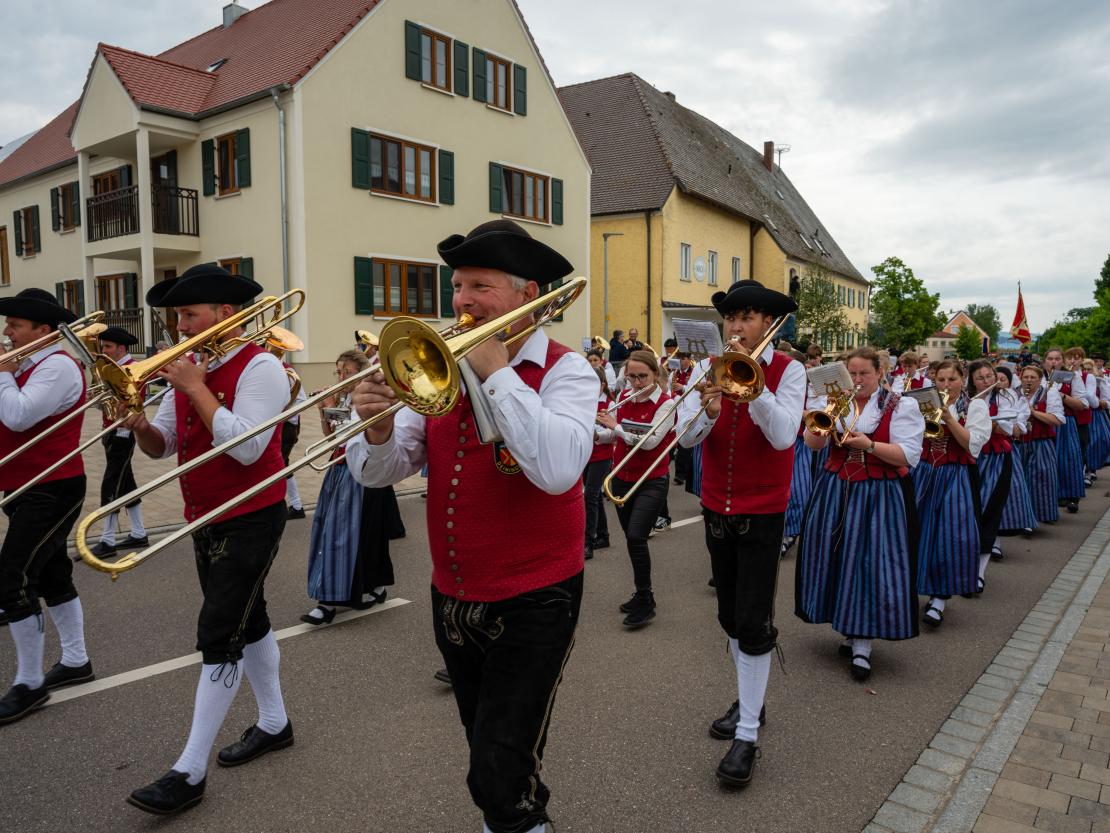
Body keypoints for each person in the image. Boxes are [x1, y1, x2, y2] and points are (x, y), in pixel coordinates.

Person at [346, 219, 596, 833]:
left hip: (537, 596)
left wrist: (498, 372)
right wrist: (375, 429)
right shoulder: (438, 370)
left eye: (478, 285)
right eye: (456, 287)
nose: (460, 302)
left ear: (526, 292)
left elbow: (558, 470)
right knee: (486, 743)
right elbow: (382, 473)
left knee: (497, 763)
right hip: (454, 594)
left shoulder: (569, 373)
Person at [120, 264, 294, 815]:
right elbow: (163, 446)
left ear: (223, 314)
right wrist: (139, 427)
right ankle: (275, 722)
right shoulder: (187, 372)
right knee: (250, 615)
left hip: (251, 514)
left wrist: (196, 388)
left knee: (220, 630)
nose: (178, 327)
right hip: (205, 514)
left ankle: (188, 771)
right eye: (175, 317)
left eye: (188, 314)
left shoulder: (261, 365)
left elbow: (247, 449)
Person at [676, 279, 804, 788]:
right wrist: (706, 412)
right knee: (729, 615)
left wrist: (755, 389)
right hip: (716, 508)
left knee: (753, 621)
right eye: (731, 318)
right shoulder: (706, 368)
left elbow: (783, 435)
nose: (735, 326)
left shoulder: (789, 372)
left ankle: (747, 733)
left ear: (767, 324)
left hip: (763, 511)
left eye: (746, 316)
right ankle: (750, 700)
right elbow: (685, 438)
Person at [796, 346, 925, 682]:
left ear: (880, 372)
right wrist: (822, 415)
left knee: (869, 563)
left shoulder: (901, 405)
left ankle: (863, 645)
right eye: (851, 374)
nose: (856, 380)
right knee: (836, 557)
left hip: (879, 493)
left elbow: (908, 455)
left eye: (863, 373)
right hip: (836, 489)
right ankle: (851, 630)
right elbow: (814, 445)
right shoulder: (838, 402)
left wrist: (868, 445)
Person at [0, 289, 93, 724]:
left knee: (13, 578)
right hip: (25, 484)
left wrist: (0, 374)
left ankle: (29, 682)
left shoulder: (56, 365)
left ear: (42, 330)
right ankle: (76, 660)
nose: (6, 333)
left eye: (15, 326)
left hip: (52, 486)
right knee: (54, 573)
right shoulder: (27, 365)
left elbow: (19, 415)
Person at [302, 350, 404, 624]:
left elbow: (366, 432)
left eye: (347, 371)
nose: (341, 376)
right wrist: (324, 410)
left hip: (363, 469)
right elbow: (332, 438)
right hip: (339, 467)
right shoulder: (344, 396)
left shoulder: (368, 396)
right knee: (337, 531)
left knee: (356, 536)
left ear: (360, 371)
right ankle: (363, 588)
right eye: (339, 372)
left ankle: (334, 599)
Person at [596, 350, 675, 627]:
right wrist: (595, 430)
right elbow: (612, 435)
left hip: (651, 480)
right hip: (621, 477)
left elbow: (649, 442)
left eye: (643, 376)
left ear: (655, 374)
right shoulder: (623, 397)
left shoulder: (667, 405)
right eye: (632, 377)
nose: (638, 383)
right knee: (632, 540)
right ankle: (642, 594)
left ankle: (646, 599)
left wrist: (614, 426)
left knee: (636, 536)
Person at [913, 360, 989, 625]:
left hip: (956, 474)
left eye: (952, 380)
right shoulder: (923, 402)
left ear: (962, 378)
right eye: (941, 380)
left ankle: (940, 598)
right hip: (924, 472)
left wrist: (947, 417)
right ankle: (916, 586)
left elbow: (972, 446)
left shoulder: (975, 406)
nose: (946, 385)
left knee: (949, 536)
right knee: (919, 531)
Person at [86, 326, 148, 558]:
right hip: (111, 430)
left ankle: (107, 540)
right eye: (103, 347)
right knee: (125, 481)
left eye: (108, 347)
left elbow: (134, 404)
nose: (103, 351)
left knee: (111, 483)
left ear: (121, 348)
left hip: (123, 432)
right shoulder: (110, 368)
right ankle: (139, 532)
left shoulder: (131, 369)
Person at [966, 360, 1014, 577]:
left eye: (989, 376)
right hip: (969, 459)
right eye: (980, 378)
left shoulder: (1006, 397)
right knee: (969, 513)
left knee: (989, 510)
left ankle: (980, 571)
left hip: (995, 458)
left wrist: (987, 420)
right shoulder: (964, 399)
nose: (986, 381)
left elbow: (1012, 428)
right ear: (972, 381)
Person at [994, 366, 1037, 538]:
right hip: (979, 452)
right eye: (994, 379)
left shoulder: (1015, 398)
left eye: (1002, 380)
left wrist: (996, 425)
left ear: (1010, 383)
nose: (997, 383)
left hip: (1003, 449)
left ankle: (1009, 529)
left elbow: (1017, 429)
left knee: (1010, 491)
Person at [1017, 366, 1063, 524]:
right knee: (1021, 480)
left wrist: (1034, 413)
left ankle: (1043, 514)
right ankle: (1023, 517)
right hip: (1019, 443)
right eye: (1025, 377)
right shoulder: (1015, 393)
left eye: (1032, 378)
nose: (1028, 380)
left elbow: (1057, 420)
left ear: (1039, 379)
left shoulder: (1048, 393)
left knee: (1042, 479)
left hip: (1041, 442)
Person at [1045, 347, 1086, 513]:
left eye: (1057, 359)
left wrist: (1061, 395)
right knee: (1049, 460)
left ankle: (1072, 497)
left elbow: (1082, 404)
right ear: (1044, 361)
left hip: (1066, 423)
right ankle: (1055, 494)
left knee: (1069, 459)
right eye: (1050, 359)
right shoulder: (1037, 376)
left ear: (1062, 361)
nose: (1054, 362)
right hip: (1045, 422)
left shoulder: (1073, 377)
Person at [583, 366, 613, 560]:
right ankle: (603, 535)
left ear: (602, 385)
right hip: (586, 454)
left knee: (590, 496)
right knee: (594, 497)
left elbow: (614, 433)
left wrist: (597, 435)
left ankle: (588, 542)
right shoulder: (583, 403)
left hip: (602, 455)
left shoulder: (610, 404)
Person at [1064, 347, 1099, 484]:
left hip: (1081, 418)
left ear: (1081, 360)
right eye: (1070, 357)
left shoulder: (1087, 376)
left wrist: (1080, 389)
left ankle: (1082, 475)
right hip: (1064, 418)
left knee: (1080, 448)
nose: (1072, 360)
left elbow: (1091, 401)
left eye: (1076, 358)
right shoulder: (1059, 374)